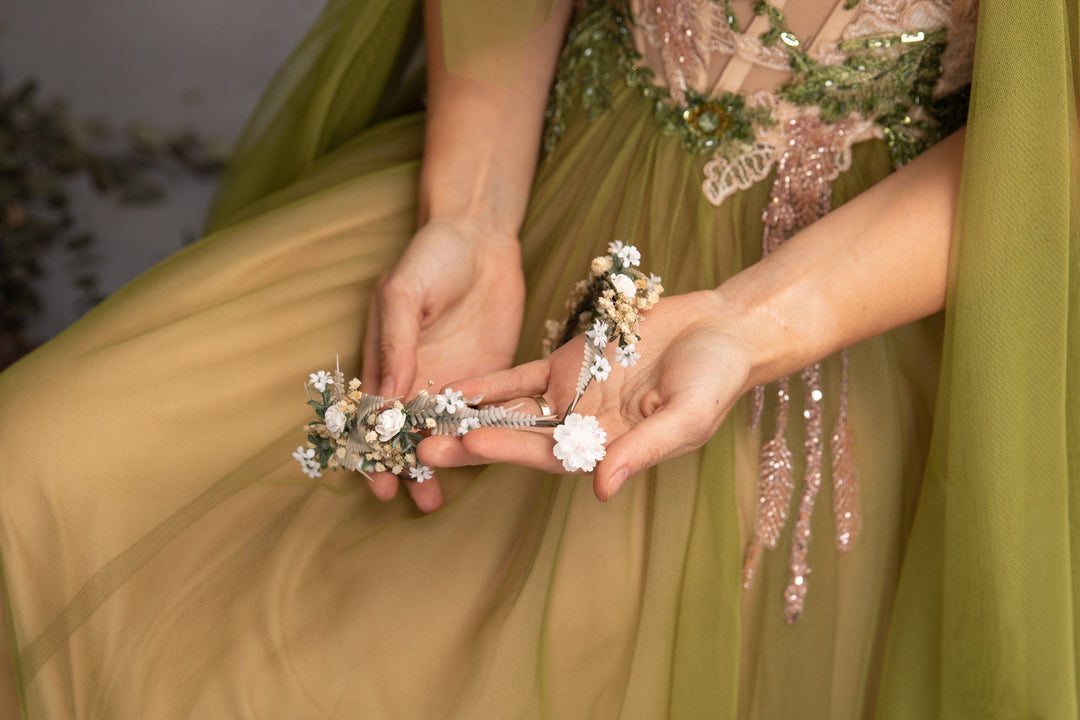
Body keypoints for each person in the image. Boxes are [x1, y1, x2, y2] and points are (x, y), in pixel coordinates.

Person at [0, 0, 1075, 717]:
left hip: (869, 275)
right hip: (542, 166)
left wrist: (753, 323)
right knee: (40, 472)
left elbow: (1055, 129)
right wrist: (472, 212)